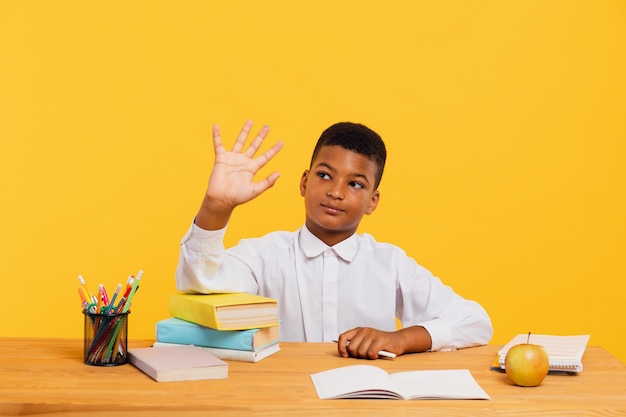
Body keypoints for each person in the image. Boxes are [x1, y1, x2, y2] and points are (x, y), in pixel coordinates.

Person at [176, 120, 493, 359]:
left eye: (355, 184)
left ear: (373, 201)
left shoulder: (389, 263)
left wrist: (401, 339)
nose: (336, 192)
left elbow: (475, 321)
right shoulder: (264, 255)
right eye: (324, 175)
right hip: (285, 399)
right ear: (304, 181)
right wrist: (215, 208)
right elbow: (199, 282)